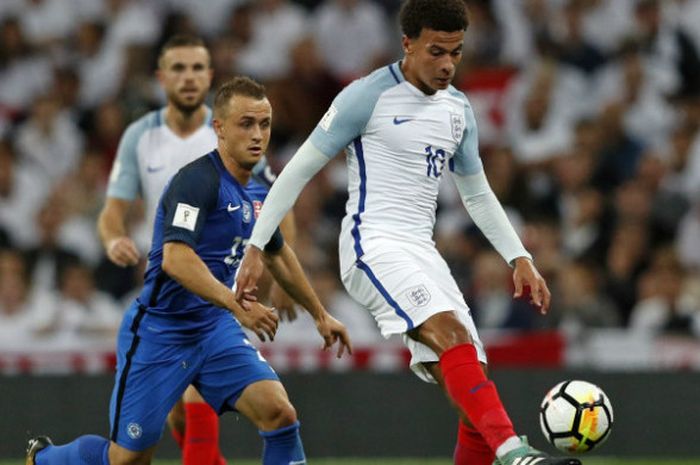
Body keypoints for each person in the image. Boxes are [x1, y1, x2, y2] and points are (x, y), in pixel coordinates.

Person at [235, 1, 579, 465]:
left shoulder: (458, 109)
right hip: (371, 244)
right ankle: (515, 452)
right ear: (408, 44)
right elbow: (295, 172)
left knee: (471, 384)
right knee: (454, 339)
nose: (447, 65)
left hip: (422, 250)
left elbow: (477, 195)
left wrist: (520, 257)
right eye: (436, 52)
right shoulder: (366, 95)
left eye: (456, 53)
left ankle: (499, 446)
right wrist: (257, 245)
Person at [26, 76, 352, 465]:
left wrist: (320, 314)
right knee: (126, 459)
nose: (258, 134)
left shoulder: (261, 191)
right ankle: (45, 458)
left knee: (280, 414)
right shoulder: (197, 181)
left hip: (214, 329)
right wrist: (235, 304)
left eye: (264, 124)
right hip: (161, 331)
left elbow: (278, 254)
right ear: (219, 128)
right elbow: (175, 258)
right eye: (246, 123)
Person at [96, 34, 296, 465]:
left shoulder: (239, 128)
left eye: (197, 68)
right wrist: (114, 238)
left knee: (202, 402)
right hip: (163, 285)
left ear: (209, 76)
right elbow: (111, 211)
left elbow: (275, 201)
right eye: (179, 68)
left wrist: (282, 279)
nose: (188, 78)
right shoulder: (140, 137)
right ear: (161, 77)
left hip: (214, 294)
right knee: (159, 435)